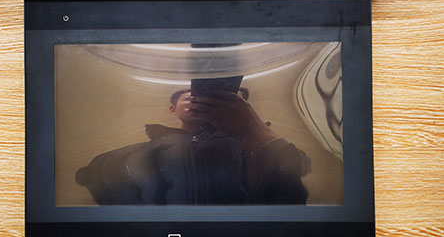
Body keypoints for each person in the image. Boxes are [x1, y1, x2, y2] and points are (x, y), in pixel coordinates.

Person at [76, 87, 310, 205]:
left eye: (229, 98)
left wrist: (254, 131)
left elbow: (294, 172)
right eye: (192, 94)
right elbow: (100, 176)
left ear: (246, 109)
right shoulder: (145, 149)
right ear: (172, 109)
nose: (207, 100)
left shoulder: (256, 143)